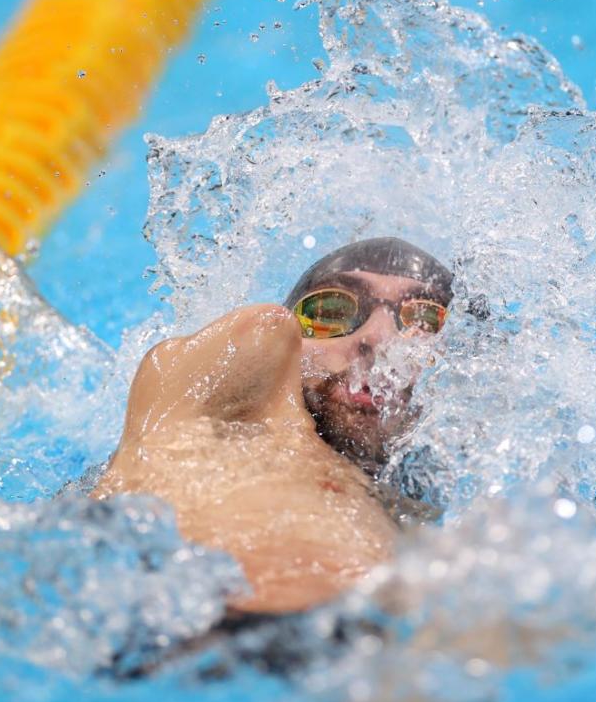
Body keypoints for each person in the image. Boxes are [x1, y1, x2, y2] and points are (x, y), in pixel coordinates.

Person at [92, 237, 453, 614]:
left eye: (424, 324)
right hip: (185, 624)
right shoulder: (222, 417)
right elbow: (259, 328)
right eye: (330, 311)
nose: (377, 339)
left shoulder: (431, 517)